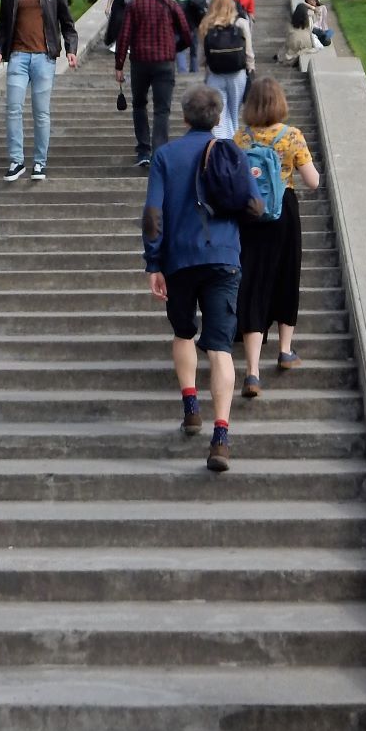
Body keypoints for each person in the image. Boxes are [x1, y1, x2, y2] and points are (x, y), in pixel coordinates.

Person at [142, 84, 254, 472]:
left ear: (185, 117)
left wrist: (153, 263)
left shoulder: (165, 156)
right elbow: (254, 205)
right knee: (220, 347)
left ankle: (191, 405)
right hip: (224, 258)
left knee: (183, 332)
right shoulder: (232, 152)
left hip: (180, 260)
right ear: (219, 117)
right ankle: (221, 436)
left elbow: (153, 214)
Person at [233, 75, 321, 400]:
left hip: (251, 216)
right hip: (284, 212)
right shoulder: (292, 136)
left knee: (252, 284)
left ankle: (252, 372)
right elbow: (313, 181)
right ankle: (285, 350)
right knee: (286, 278)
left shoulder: (240, 137)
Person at [0, 0, 79, 182]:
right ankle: (16, 161)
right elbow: (4, 28)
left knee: (41, 112)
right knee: (13, 109)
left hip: (44, 58)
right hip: (17, 57)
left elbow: (67, 24)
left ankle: (39, 162)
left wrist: (71, 50)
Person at [115, 0, 189, 168]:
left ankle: (143, 150)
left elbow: (124, 36)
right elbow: (187, 34)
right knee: (162, 110)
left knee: (139, 105)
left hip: (140, 62)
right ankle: (159, 153)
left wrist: (119, 65)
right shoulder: (171, 5)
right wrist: (174, 49)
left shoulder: (135, 5)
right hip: (164, 63)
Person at [200, 0, 253, 139]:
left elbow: (202, 57)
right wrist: (250, 68)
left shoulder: (207, 25)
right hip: (238, 74)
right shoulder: (241, 23)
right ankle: (234, 142)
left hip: (215, 74)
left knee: (219, 114)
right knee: (234, 113)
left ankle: (221, 142)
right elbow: (249, 51)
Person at [168, 0, 207, 72]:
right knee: (194, 52)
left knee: (180, 50)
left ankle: (182, 73)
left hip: (176, 26)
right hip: (193, 24)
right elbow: (204, 6)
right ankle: (194, 73)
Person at [278, 1, 319, 68]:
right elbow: (318, 12)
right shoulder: (308, 27)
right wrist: (311, 7)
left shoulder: (290, 29)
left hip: (288, 55)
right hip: (295, 55)